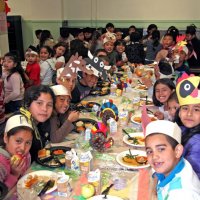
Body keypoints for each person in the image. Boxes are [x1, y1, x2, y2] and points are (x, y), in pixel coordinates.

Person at [145, 120, 200, 199]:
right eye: (149, 151)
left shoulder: (182, 194)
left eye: (161, 149)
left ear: (177, 151)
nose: (154, 157)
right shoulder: (176, 163)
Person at [175, 73, 200, 178]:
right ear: (179, 112)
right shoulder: (182, 128)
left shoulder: (197, 143)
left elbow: (188, 175)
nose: (189, 114)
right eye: (185, 108)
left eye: (197, 109)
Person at [21, 85, 55, 161]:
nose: (45, 109)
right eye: (39, 103)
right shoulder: (22, 126)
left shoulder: (42, 122)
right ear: (27, 104)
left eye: (49, 105)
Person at [0, 114, 34, 189]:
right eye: (18, 141)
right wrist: (14, 174)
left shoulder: (26, 156)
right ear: (6, 138)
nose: (23, 148)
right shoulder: (1, 164)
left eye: (28, 142)